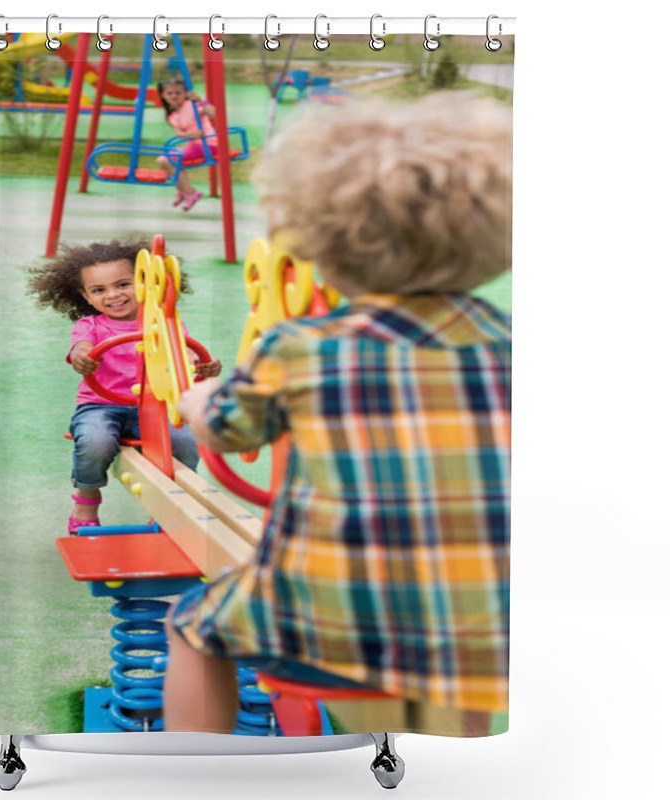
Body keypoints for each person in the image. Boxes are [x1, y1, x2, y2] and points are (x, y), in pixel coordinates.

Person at [163, 97, 513, 736]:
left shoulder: (301, 347)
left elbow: (228, 429)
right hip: (495, 629)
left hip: (330, 619)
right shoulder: (512, 347)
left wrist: (195, 402)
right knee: (456, 669)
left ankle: (196, 768)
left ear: (318, 235)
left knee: (191, 626)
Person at [26, 238, 222, 534]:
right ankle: (86, 500)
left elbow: (188, 354)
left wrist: (204, 365)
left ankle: (173, 502)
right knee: (95, 440)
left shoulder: (165, 322)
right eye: (99, 290)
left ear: (144, 283)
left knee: (183, 440)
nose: (113, 295)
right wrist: (82, 357)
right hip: (101, 405)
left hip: (155, 406)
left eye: (122, 284)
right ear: (86, 296)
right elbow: (81, 347)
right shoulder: (90, 326)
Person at [156, 79, 218, 212]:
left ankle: (190, 193)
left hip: (209, 145)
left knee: (166, 160)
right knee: (165, 160)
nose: (174, 96)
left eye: (178, 93)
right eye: (170, 93)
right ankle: (182, 190)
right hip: (196, 145)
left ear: (185, 94)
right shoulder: (172, 115)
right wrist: (192, 134)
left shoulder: (191, 105)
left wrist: (201, 100)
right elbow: (178, 134)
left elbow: (216, 114)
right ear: (163, 96)